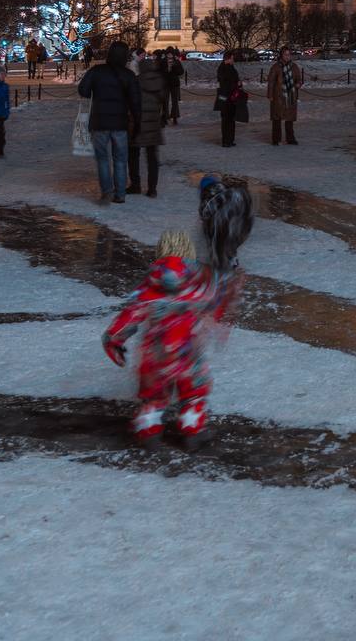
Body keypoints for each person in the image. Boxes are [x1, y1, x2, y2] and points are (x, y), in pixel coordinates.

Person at [102, 228, 240, 449]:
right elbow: (217, 300)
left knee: (154, 396)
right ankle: (192, 430)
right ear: (189, 251)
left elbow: (131, 315)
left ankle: (148, 432)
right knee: (193, 392)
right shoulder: (200, 282)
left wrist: (113, 340)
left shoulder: (149, 285)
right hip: (187, 353)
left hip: (155, 354)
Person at [78, 40, 142, 204]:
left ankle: (107, 190)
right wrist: (137, 121)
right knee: (120, 159)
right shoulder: (128, 75)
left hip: (99, 121)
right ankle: (120, 194)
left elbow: (83, 90)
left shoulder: (97, 71)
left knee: (102, 159)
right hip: (120, 122)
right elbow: (136, 101)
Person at [128, 55, 167, 197]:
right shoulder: (159, 81)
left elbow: (131, 102)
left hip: (137, 124)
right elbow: (163, 101)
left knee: (133, 154)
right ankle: (152, 189)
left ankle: (136, 184)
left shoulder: (137, 81)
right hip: (153, 123)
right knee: (152, 158)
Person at [199, 175, 254, 269]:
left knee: (221, 242)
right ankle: (230, 260)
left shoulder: (208, 201)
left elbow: (206, 217)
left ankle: (225, 264)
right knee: (231, 239)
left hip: (227, 219)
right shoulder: (228, 192)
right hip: (239, 211)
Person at [267, 46, 303, 145]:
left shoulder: (294, 66)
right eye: (285, 54)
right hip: (278, 96)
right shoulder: (276, 67)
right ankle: (276, 139)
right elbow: (271, 82)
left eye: (289, 54)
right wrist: (270, 95)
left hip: (291, 96)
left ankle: (290, 138)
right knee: (277, 118)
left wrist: (298, 84)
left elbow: (299, 79)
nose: (287, 56)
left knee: (289, 119)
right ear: (281, 55)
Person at [214, 51, 242, 148]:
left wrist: (238, 83)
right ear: (228, 58)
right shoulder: (222, 69)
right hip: (225, 97)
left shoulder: (230, 68)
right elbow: (225, 84)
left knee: (231, 119)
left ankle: (230, 139)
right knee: (226, 119)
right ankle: (226, 140)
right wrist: (236, 84)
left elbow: (234, 80)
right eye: (232, 58)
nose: (233, 60)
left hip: (231, 97)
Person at [163, 48, 183, 124]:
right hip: (165, 84)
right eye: (168, 54)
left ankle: (174, 117)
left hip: (174, 84)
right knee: (165, 101)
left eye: (171, 53)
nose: (170, 55)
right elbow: (161, 72)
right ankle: (165, 117)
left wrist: (174, 67)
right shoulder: (163, 61)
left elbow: (181, 72)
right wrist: (167, 69)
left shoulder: (177, 61)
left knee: (175, 102)